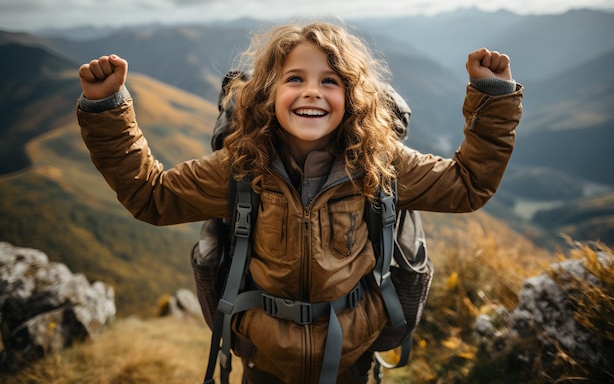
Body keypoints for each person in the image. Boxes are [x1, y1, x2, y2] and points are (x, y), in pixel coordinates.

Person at [76, 20, 523, 384]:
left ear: (352, 97)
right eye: (295, 79)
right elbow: (152, 198)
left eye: (330, 81)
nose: (312, 91)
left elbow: (468, 185)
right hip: (265, 361)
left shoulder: (382, 165)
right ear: (268, 95)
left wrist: (493, 99)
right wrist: (108, 110)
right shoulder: (239, 168)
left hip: (353, 355)